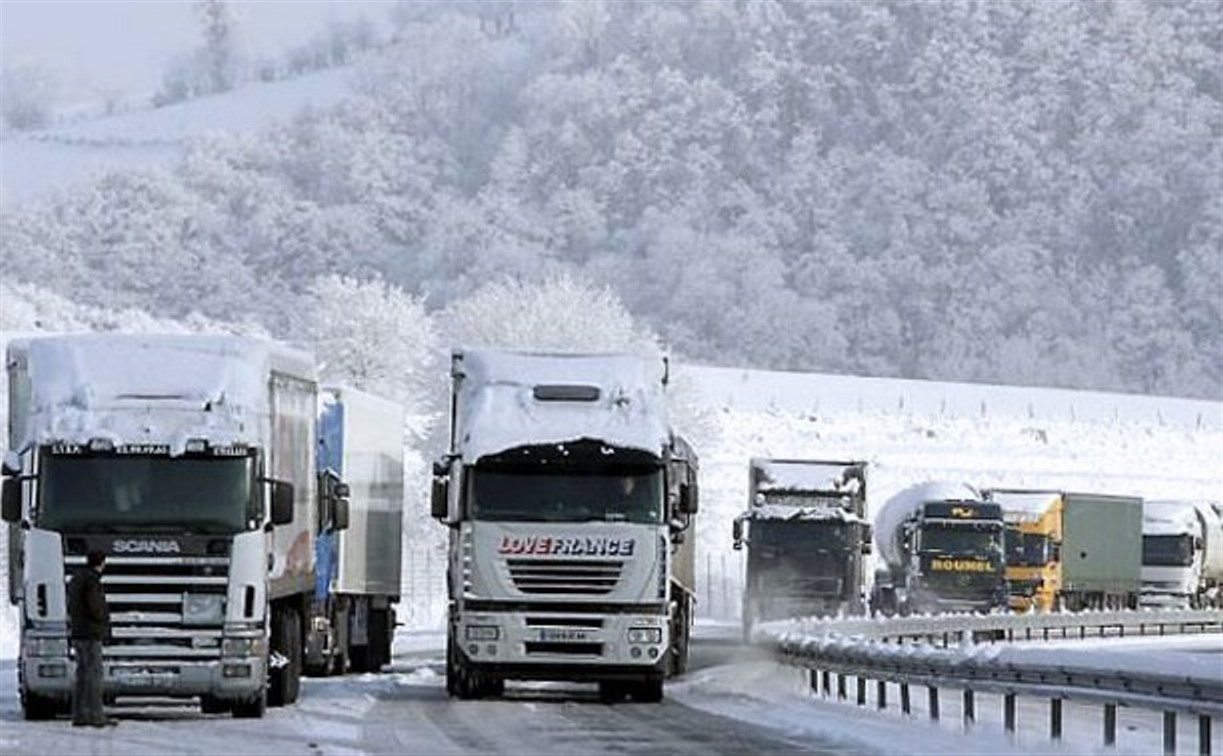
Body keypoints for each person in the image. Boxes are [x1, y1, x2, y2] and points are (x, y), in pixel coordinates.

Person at [66, 549, 114, 727]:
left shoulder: (77, 578)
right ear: (101, 562)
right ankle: (96, 716)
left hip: (78, 631)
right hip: (91, 633)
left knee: (82, 675)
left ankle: (79, 715)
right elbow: (96, 607)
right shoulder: (92, 581)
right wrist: (105, 619)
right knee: (94, 675)